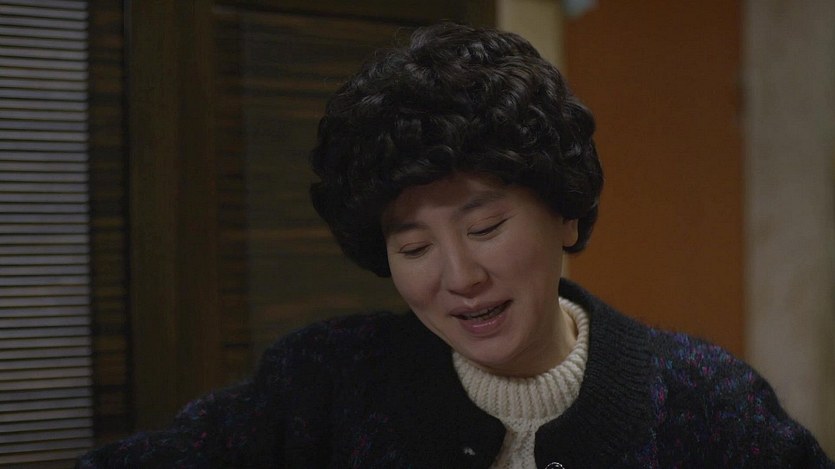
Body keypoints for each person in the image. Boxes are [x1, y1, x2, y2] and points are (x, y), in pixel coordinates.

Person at [78, 22, 833, 468]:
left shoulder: (709, 405)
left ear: (565, 214)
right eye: (413, 248)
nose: (460, 276)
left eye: (485, 228)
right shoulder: (322, 385)